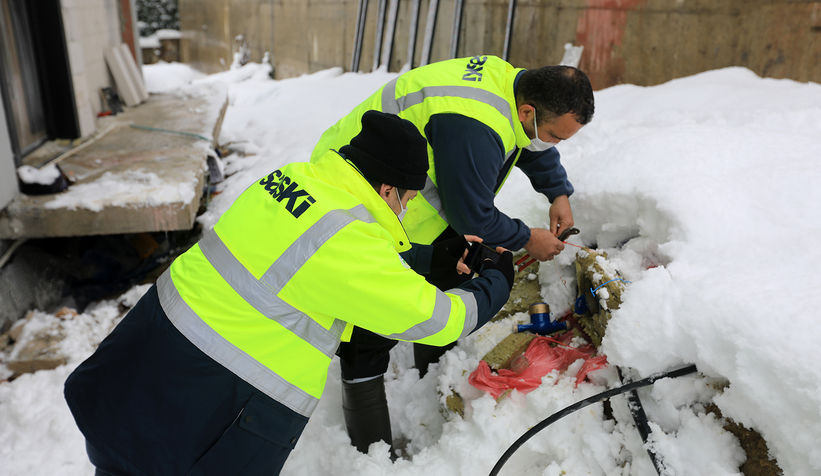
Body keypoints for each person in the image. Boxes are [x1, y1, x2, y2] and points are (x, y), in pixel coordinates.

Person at [64, 111, 515, 475]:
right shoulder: (350, 239)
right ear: (386, 188)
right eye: (409, 198)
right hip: (208, 403)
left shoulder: (292, 180)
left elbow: (305, 255)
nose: (408, 207)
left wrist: (430, 260)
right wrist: (496, 280)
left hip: (143, 365)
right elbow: (437, 322)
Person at [310, 55, 595, 453]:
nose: (555, 144)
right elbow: (473, 216)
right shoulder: (473, 125)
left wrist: (557, 191)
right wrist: (527, 237)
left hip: (412, 196)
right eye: (555, 135)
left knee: (447, 271)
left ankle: (432, 374)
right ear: (528, 109)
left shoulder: (511, 87)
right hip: (363, 196)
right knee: (370, 322)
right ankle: (368, 449)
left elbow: (526, 139)